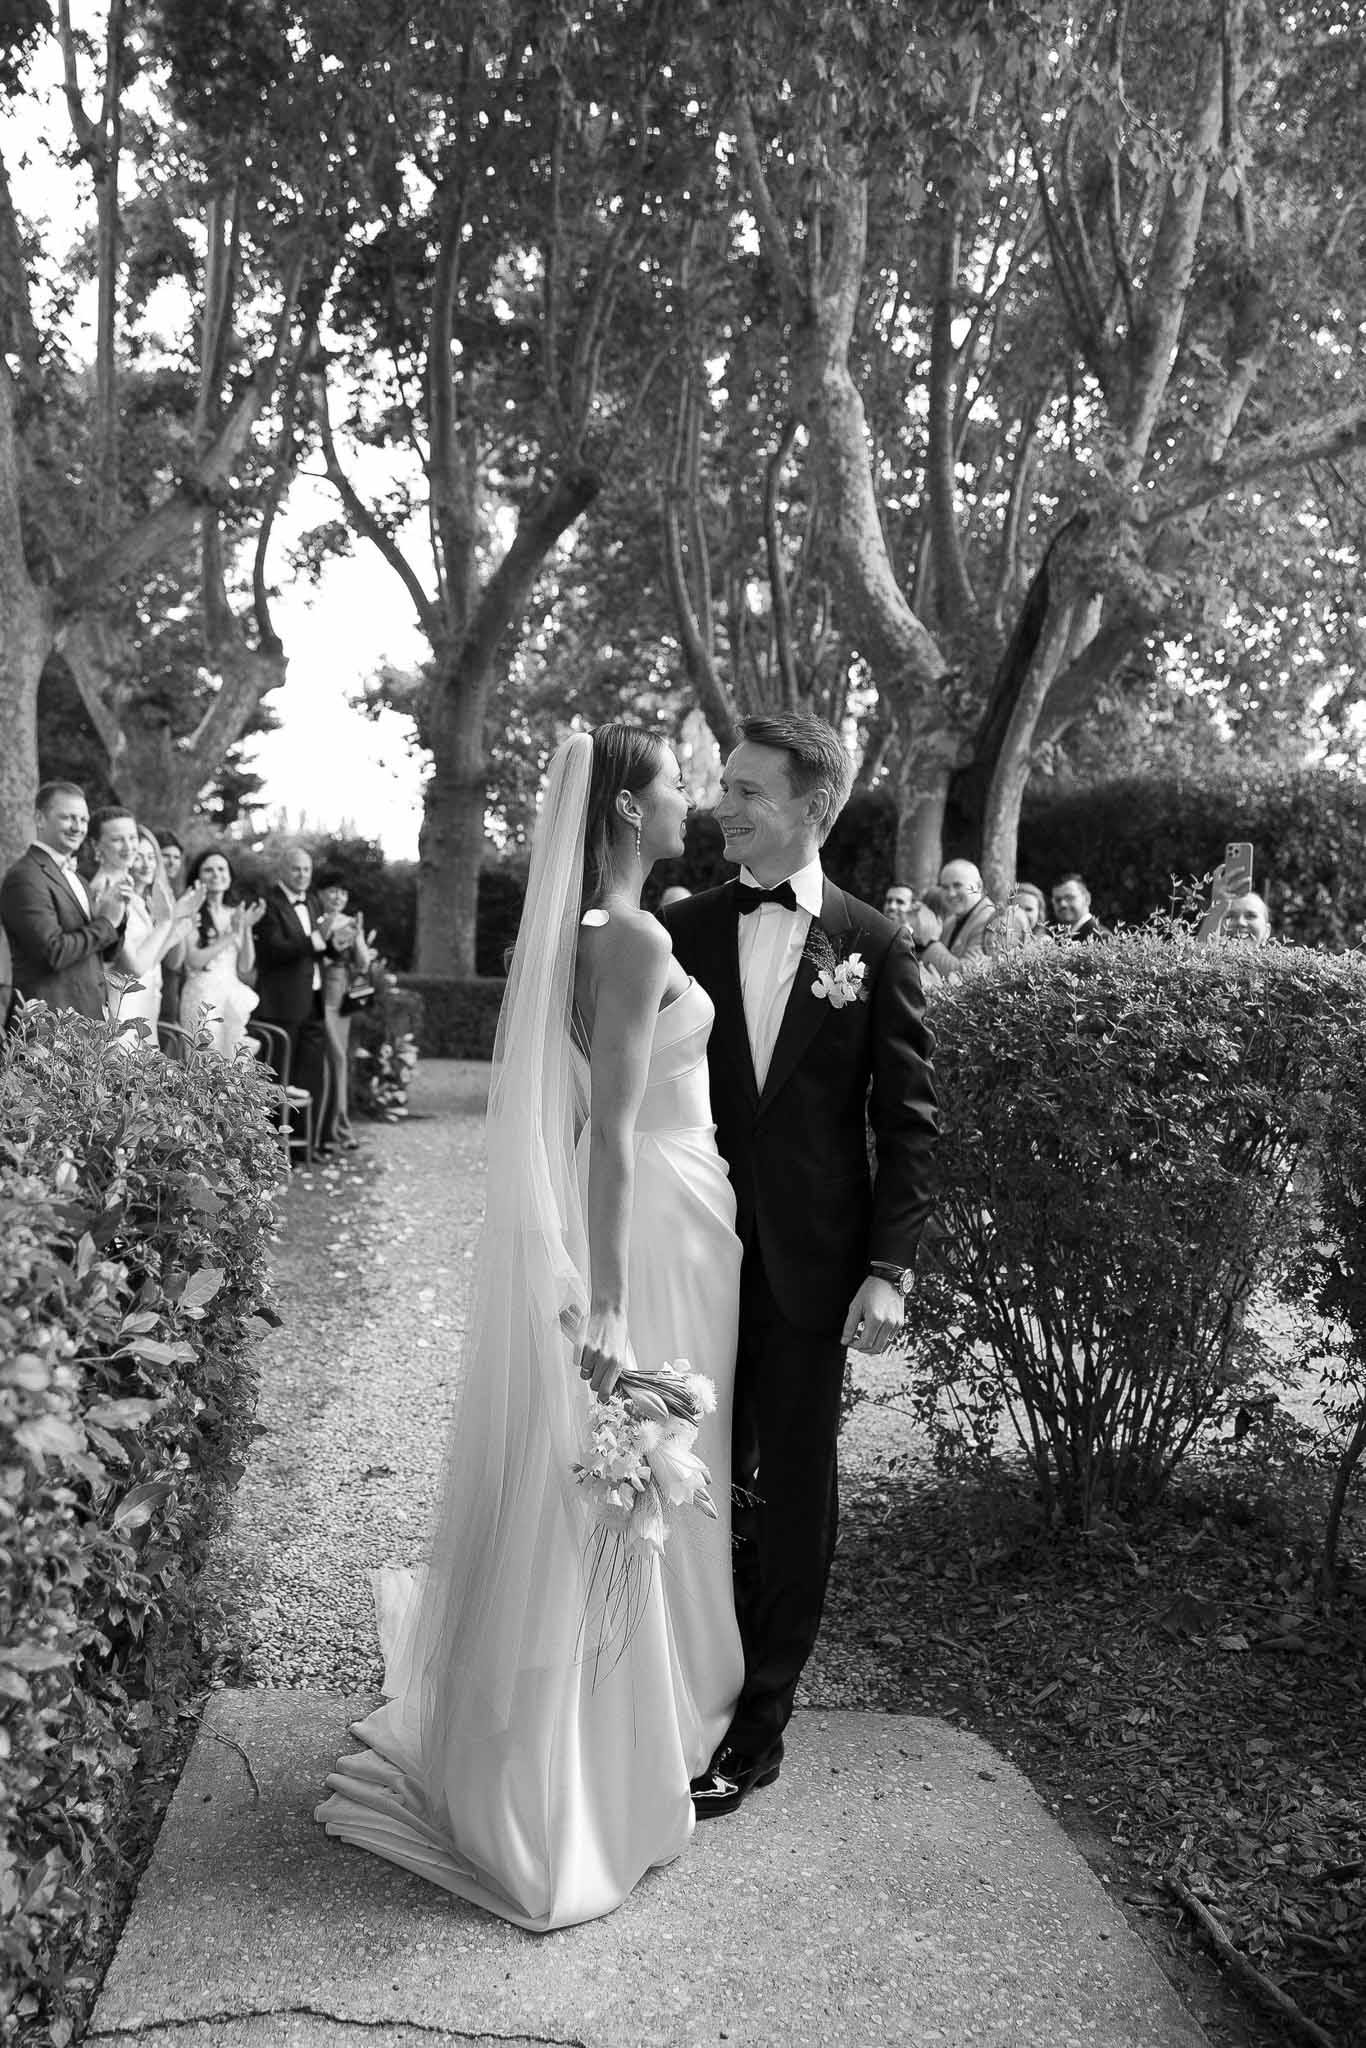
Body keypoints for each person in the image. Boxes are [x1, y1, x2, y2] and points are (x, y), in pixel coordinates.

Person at [317, 725, 744, 1928]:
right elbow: (608, 1131)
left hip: (675, 1208)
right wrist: (606, 1294)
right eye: (673, 788)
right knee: (636, 1462)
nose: (689, 804)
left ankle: (640, 1704)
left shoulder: (578, 932)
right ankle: (608, 1743)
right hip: (649, 1219)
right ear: (624, 806)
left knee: (639, 1465)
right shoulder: (638, 936)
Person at [664, 711, 938, 1818]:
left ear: (812, 808)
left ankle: (758, 1724)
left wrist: (889, 1266)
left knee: (793, 1495)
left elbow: (906, 1120)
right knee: (679, 1472)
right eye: (722, 785)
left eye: (746, 790)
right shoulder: (678, 929)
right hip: (688, 1247)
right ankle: (681, 1688)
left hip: (812, 1266)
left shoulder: (873, 944)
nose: (720, 805)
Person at [0, 781, 130, 1019]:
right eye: (68, 818)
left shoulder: (79, 879)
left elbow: (103, 954)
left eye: (83, 820)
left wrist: (118, 914)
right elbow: (53, 952)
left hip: (89, 1020)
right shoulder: (25, 876)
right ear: (40, 819)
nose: (78, 827)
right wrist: (106, 923)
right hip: (50, 1023)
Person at [88, 807, 199, 1040]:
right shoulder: (106, 889)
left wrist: (176, 931)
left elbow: (148, 960)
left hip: (141, 1002)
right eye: (119, 840)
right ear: (97, 846)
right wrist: (168, 922)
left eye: (132, 839)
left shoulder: (126, 886)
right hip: (121, 1007)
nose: (129, 847)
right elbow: (135, 968)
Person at [254, 845, 333, 1147]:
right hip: (281, 1003)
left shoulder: (312, 901)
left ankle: (306, 1143)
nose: (302, 875)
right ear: (282, 871)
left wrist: (331, 941)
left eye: (307, 870)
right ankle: (274, 1146)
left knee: (308, 1074)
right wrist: (315, 939)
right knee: (279, 1078)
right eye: (296, 869)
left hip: (312, 998)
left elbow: (317, 948)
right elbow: (274, 950)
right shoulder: (269, 904)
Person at [179, 849, 264, 1055]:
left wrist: (246, 927)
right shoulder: (190, 911)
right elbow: (194, 960)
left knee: (233, 1061)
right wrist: (231, 934)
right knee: (205, 1061)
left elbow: (245, 966)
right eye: (209, 870)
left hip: (231, 994)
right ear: (198, 877)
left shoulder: (235, 912)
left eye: (221, 869)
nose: (216, 874)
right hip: (202, 996)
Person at [316, 870, 374, 1152]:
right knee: (322, 1065)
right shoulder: (313, 920)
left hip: (336, 998)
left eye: (343, 892)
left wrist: (359, 936)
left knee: (338, 1060)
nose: (337, 896)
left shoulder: (350, 925)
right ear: (321, 894)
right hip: (310, 993)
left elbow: (363, 965)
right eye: (332, 890)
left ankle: (339, 1128)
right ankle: (320, 1131)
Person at [917, 859, 995, 979]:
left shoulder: (991, 920)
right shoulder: (951, 922)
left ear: (979, 886)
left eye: (957, 885)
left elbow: (969, 974)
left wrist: (930, 943)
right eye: (945, 887)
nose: (951, 893)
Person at [155, 830, 188, 1048]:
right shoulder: (155, 892)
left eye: (177, 857)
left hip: (172, 977)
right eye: (166, 855)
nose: (172, 862)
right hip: (158, 974)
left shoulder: (174, 892)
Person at [1051, 872, 1108, 941]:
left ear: (1087, 899)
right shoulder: (1056, 938)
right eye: (1058, 900)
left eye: (1069, 897)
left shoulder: (1102, 937)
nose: (1063, 904)